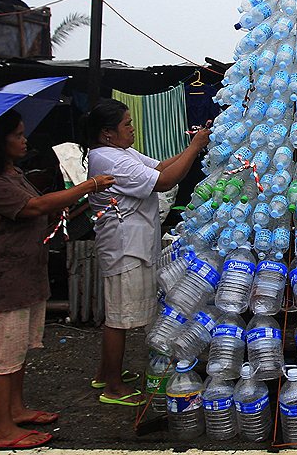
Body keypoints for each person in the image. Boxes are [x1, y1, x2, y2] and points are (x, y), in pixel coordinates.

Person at [0, 109, 115, 449]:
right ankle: (3, 430)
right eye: (16, 135)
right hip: (5, 276)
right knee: (2, 354)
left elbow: (37, 209)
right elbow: (32, 207)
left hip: (27, 272)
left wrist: (56, 213)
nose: (24, 139)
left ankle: (16, 409)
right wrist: (88, 186)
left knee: (18, 349)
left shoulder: (13, 173)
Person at [84, 98, 211, 406]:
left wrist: (194, 144)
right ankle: (112, 387)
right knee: (120, 317)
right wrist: (195, 148)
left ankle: (106, 372)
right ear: (107, 133)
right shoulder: (111, 160)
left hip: (134, 243)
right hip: (125, 248)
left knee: (120, 312)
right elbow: (165, 181)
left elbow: (159, 167)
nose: (132, 128)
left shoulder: (120, 152)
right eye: (126, 124)